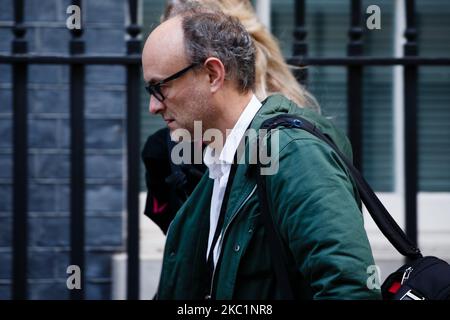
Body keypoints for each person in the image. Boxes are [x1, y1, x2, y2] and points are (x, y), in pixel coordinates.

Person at [141, 7, 381, 299]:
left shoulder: (295, 156)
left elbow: (350, 290)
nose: (153, 107)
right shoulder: (220, 168)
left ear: (212, 74)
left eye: (160, 87)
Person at [142, 0, 319, 234]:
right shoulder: (161, 152)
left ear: (213, 71)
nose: (153, 107)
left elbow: (332, 259)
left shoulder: (288, 142)